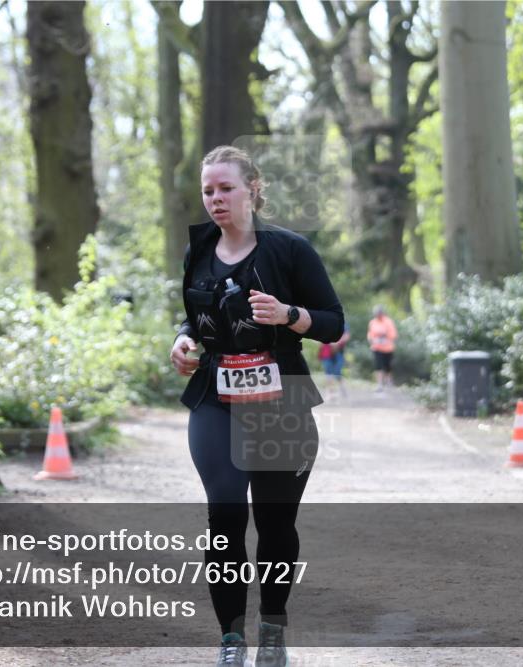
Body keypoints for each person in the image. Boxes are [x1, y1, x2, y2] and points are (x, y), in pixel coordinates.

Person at [169, 145, 344, 667]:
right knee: (224, 513)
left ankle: (272, 630)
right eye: (208, 190)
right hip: (215, 398)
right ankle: (230, 640)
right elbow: (193, 315)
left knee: (274, 524)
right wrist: (182, 340)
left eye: (226, 188)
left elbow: (333, 322)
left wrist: (289, 314)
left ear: (253, 189)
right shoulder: (198, 250)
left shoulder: (289, 250)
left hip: (281, 400)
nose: (215, 199)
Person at [367, 304, 397, 391]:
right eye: (376, 313)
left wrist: (385, 334)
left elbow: (394, 334)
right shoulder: (372, 322)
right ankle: (379, 384)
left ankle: (388, 381)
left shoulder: (388, 322)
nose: (378, 315)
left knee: (388, 366)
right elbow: (370, 334)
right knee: (378, 366)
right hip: (377, 347)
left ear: (382, 313)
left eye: (379, 313)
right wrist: (372, 339)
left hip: (388, 348)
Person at [318, 323, 350, 398]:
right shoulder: (323, 322)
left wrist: (337, 342)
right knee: (328, 372)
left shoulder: (342, 323)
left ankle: (342, 388)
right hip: (327, 351)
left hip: (339, 351)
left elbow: (346, 335)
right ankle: (330, 391)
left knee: (337, 371)